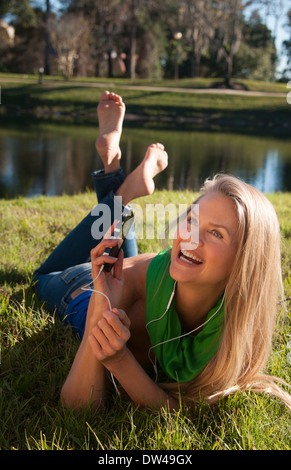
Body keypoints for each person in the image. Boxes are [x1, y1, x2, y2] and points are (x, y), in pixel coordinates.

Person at [33, 91, 291, 411]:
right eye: (192, 220)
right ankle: (123, 190)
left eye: (215, 233)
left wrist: (120, 359)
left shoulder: (237, 326)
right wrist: (104, 312)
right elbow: (77, 407)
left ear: (246, 261)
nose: (190, 238)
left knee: (122, 248)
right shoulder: (132, 281)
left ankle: (116, 174)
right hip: (87, 288)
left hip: (129, 276)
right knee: (41, 278)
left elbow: (180, 409)